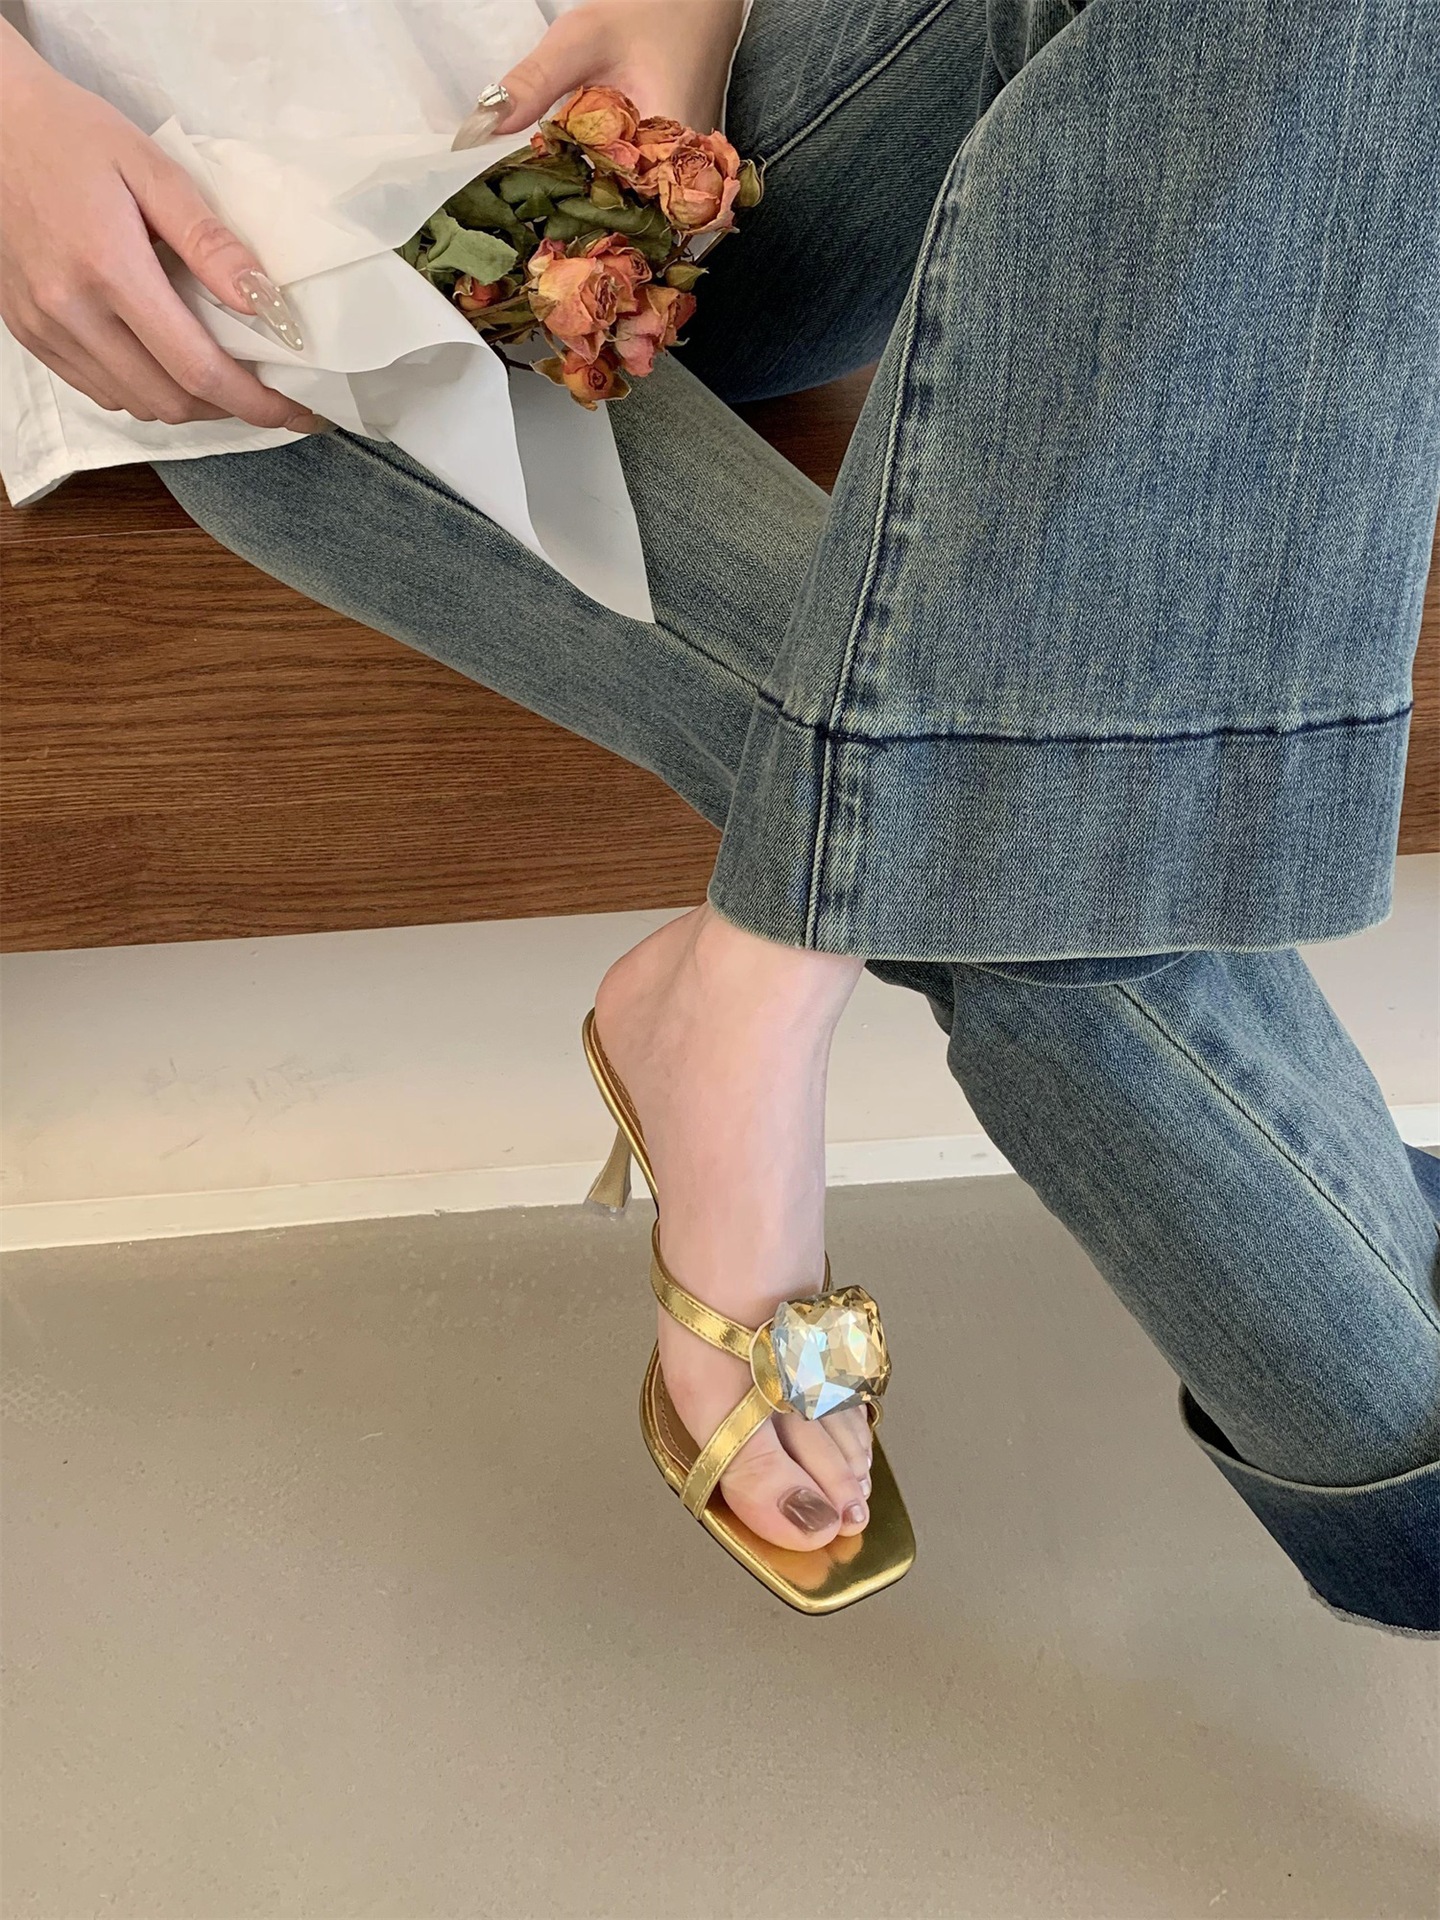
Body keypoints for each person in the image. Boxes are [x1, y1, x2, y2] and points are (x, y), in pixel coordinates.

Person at [2, 0, 1437, 1625]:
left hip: (650, 116)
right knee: (1023, 789)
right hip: (235, 225)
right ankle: (1410, 1479)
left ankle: (755, 983)